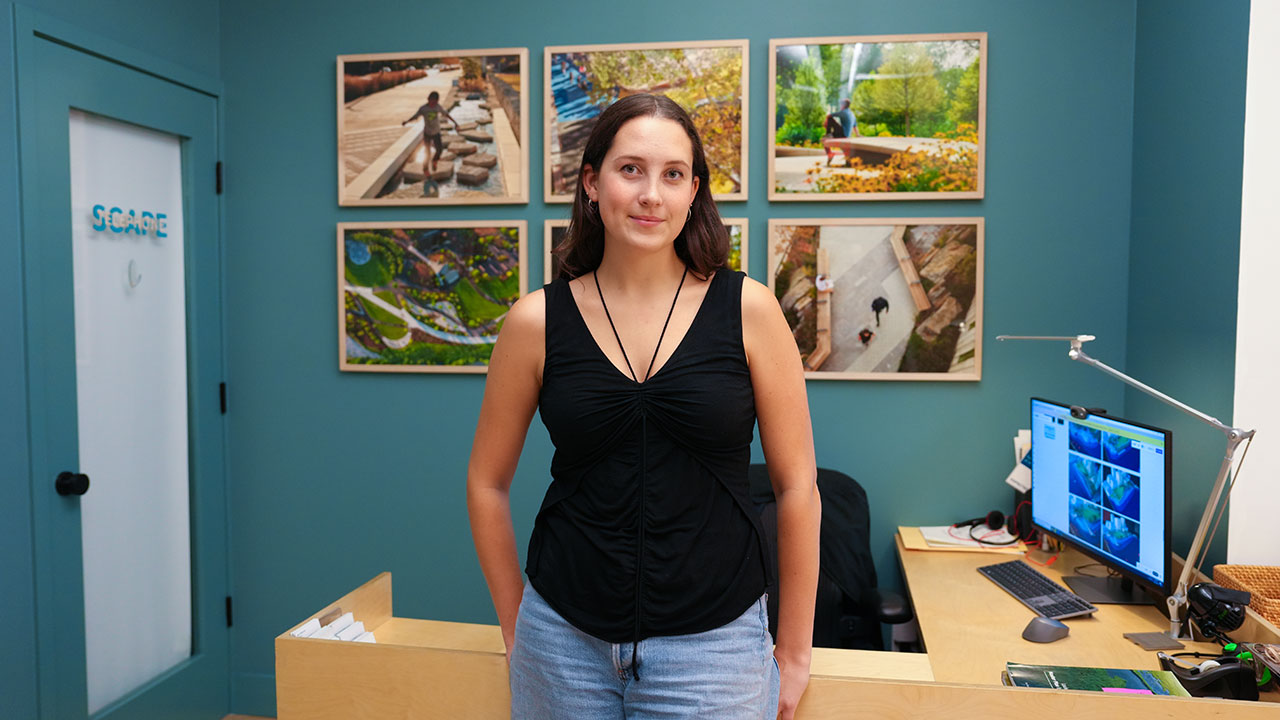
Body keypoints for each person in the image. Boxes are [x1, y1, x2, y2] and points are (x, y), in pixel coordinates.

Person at [468, 93, 820, 720]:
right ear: (591, 183)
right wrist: (516, 626)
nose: (651, 193)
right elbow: (486, 482)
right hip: (562, 641)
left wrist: (795, 649)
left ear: (693, 192)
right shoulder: (535, 320)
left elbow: (798, 488)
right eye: (630, 169)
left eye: (672, 174)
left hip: (714, 650)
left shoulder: (750, 310)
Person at [401, 90, 458, 173]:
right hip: (427, 133)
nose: (434, 104)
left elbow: (446, 114)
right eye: (432, 101)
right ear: (428, 99)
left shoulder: (438, 107)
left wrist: (455, 122)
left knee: (439, 150)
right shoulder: (423, 109)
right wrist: (407, 121)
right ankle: (425, 168)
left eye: (436, 102)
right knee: (427, 152)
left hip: (436, 132)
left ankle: (434, 161)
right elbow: (415, 116)